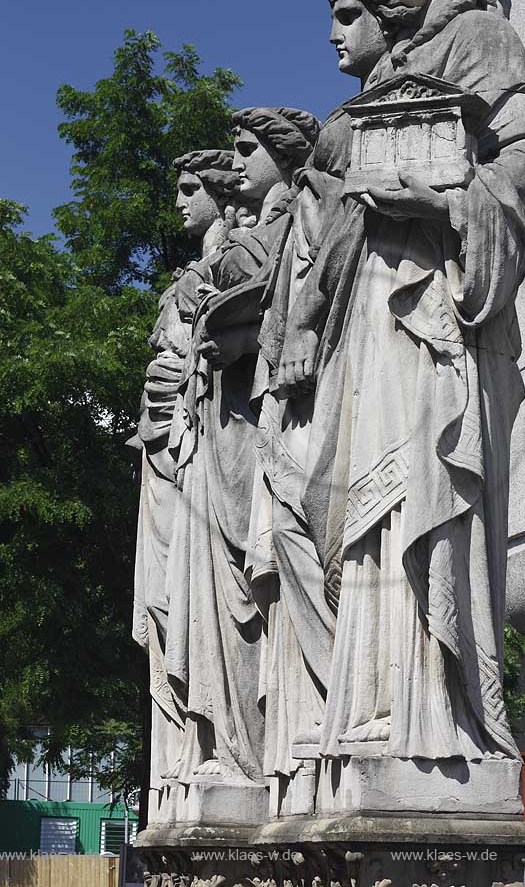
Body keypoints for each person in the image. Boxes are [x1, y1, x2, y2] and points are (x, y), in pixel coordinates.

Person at [280, 0, 525, 771]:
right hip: (368, 313)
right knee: (360, 509)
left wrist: (443, 201)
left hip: (433, 307)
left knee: (419, 496)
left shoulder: (479, 37)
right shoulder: (396, 63)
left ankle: (426, 714)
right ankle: (368, 705)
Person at [245, 0, 419, 813]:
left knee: (324, 514)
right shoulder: (350, 122)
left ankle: (351, 702)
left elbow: (347, 229)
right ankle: (329, 704)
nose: (331, 35)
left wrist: (308, 314)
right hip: (313, 358)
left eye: (348, 18)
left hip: (358, 341)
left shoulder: (397, 106)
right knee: (293, 528)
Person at [161, 108, 320, 800]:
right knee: (210, 594)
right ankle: (221, 744)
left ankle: (250, 751)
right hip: (213, 434)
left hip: (250, 426)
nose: (236, 163)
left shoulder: (295, 221)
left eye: (245, 149)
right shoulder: (249, 237)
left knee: (251, 588)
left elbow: (287, 308)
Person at [130, 149, 243, 818]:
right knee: (165, 607)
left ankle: (213, 745)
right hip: (165, 460)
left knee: (199, 605)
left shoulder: (234, 266)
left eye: (190, 188)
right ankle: (176, 759)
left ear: (223, 194)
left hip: (209, 453)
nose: (178, 200)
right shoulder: (180, 284)